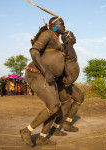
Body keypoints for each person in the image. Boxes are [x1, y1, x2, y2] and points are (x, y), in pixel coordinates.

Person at [19, 15, 68, 146]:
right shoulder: (48, 33)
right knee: (53, 106)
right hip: (38, 74)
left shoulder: (56, 39)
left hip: (49, 77)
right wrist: (45, 71)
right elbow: (34, 51)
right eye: (62, 24)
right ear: (54, 25)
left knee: (55, 107)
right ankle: (26, 131)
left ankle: (42, 138)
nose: (65, 26)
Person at [49, 31, 84, 135]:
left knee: (79, 98)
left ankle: (67, 124)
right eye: (73, 36)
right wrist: (64, 76)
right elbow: (61, 63)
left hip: (69, 83)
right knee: (66, 104)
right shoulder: (63, 48)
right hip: (62, 82)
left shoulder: (71, 48)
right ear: (68, 39)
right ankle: (54, 129)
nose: (75, 37)